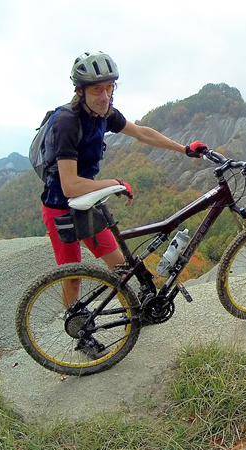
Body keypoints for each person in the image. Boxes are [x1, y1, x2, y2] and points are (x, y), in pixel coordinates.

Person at [39, 51, 207, 358]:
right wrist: (112, 184)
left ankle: (143, 308)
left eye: (110, 88)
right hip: (60, 206)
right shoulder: (66, 123)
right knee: (72, 274)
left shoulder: (104, 113)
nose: (105, 96)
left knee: (120, 265)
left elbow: (141, 133)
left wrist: (184, 149)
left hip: (87, 202)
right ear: (80, 91)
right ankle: (80, 330)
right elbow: (69, 184)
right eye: (97, 90)